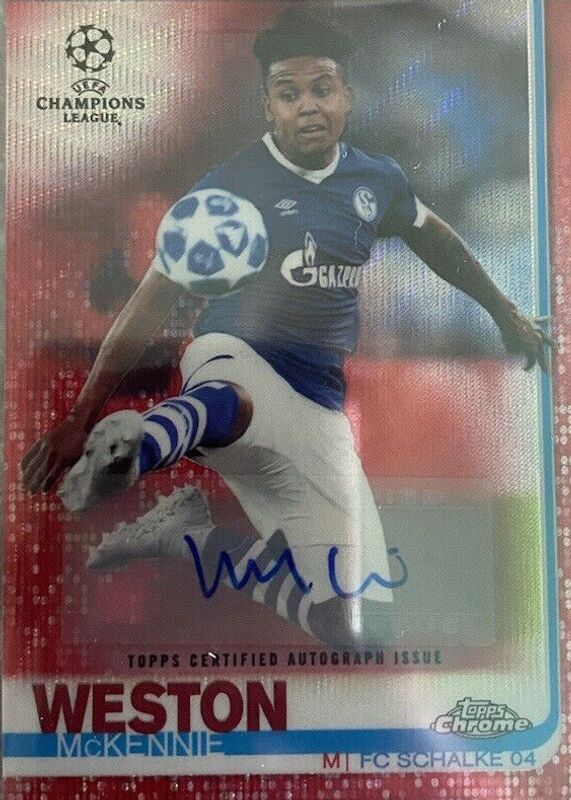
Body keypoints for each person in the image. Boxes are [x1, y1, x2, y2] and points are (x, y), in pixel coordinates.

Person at [21, 11, 551, 647]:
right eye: (288, 92)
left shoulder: (375, 180)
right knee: (232, 399)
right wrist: (82, 417)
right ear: (268, 106)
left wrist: (503, 311)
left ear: (346, 96)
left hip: (319, 412)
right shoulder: (229, 188)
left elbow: (434, 236)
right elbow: (152, 299)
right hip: (235, 359)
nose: (307, 106)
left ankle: (189, 536)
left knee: (358, 628)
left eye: (321, 89)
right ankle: (144, 442)